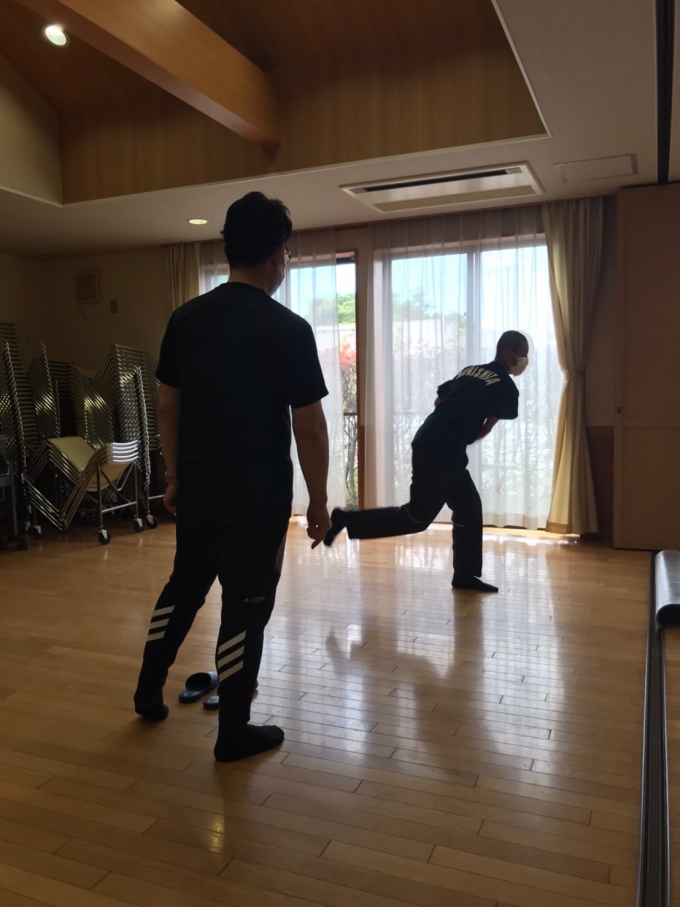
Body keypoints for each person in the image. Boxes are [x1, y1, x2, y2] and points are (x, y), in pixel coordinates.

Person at [134, 192, 331, 762]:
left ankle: (147, 690)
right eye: (286, 253)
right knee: (246, 604)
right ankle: (233, 732)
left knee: (184, 587)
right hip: (257, 496)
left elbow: (167, 407)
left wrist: (174, 475)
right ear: (276, 254)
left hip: (198, 487)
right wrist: (319, 501)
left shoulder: (185, 319)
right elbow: (310, 426)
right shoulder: (288, 328)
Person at [324, 331, 529, 592]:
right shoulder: (506, 386)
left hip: (435, 441)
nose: (525, 360)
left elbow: (438, 401)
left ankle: (464, 576)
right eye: (522, 354)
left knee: (468, 507)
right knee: (416, 518)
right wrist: (464, 434)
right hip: (442, 449)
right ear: (507, 353)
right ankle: (345, 519)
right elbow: (489, 424)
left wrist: (451, 429)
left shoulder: (470, 371)